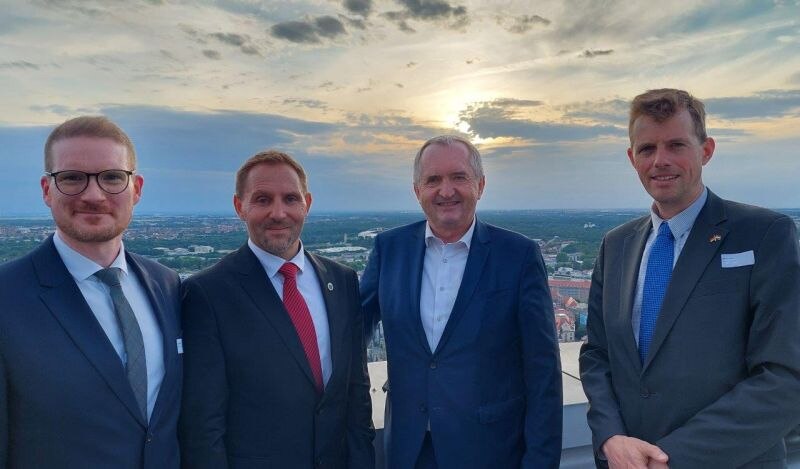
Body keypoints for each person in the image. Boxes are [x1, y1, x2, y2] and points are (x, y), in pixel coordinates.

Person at [579, 88, 800, 468]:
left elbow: (784, 375)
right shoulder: (616, 245)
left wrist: (671, 459)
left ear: (706, 150)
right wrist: (611, 437)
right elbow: (598, 355)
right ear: (633, 159)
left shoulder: (764, 234)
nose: (660, 161)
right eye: (647, 149)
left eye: (676, 145)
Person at [360, 135, 562, 469]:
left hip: (490, 452)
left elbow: (543, 372)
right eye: (433, 180)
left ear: (480, 185)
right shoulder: (388, 249)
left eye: (459, 177)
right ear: (417, 191)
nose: (446, 191)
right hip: (408, 450)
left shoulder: (519, 255)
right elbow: (350, 331)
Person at [0, 116, 182, 468]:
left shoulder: (167, 285)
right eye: (72, 178)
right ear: (46, 190)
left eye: (113, 177)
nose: (94, 195)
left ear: (137, 188)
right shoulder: (6, 297)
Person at [179, 150, 374, 469]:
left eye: (290, 199)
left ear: (307, 204)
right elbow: (204, 424)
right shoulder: (208, 293)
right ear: (239, 207)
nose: (278, 213)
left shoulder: (342, 281)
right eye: (262, 199)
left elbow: (356, 394)